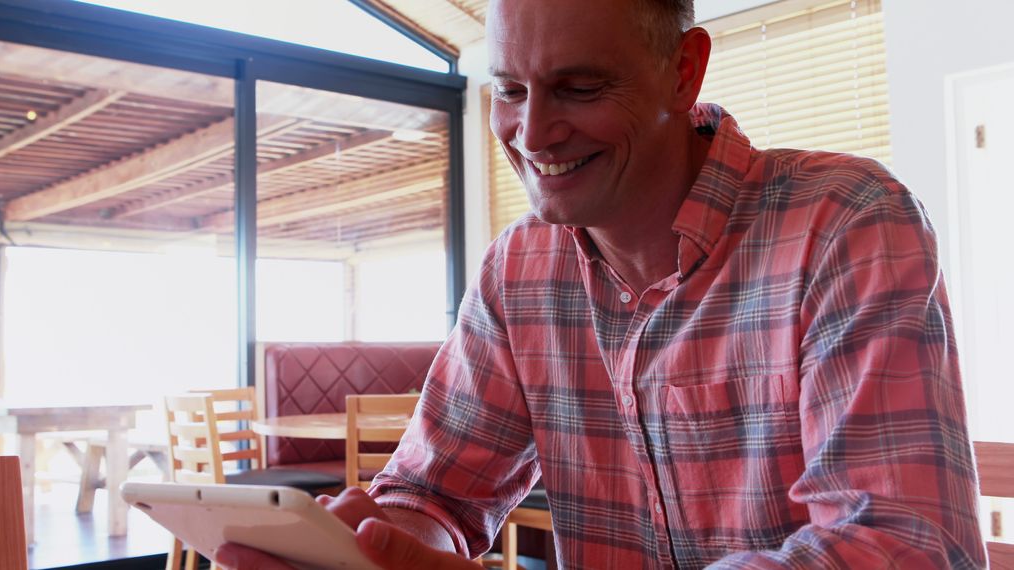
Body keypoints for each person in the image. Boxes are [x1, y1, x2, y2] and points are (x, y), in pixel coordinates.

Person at [217, 0, 988, 568]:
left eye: (579, 88)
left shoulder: (843, 223)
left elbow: (899, 546)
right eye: (510, 90)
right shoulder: (518, 271)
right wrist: (374, 547)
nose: (533, 132)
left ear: (682, 72)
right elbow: (435, 496)